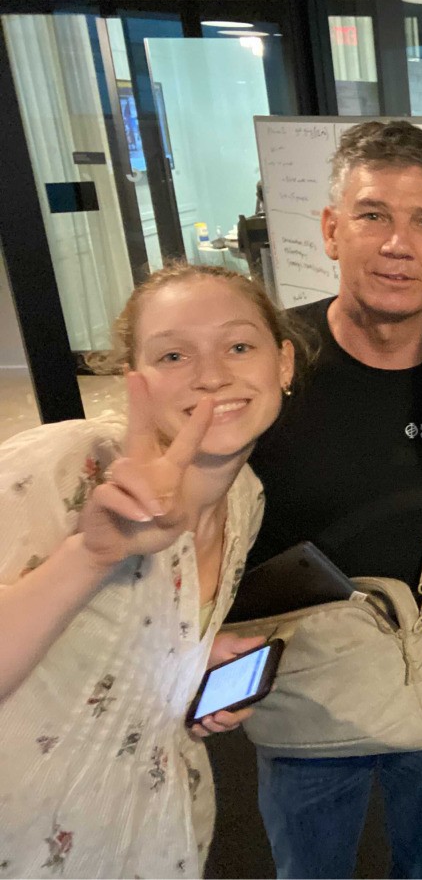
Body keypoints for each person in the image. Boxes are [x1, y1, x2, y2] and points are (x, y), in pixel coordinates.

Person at [0, 264, 298, 878]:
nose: (213, 376)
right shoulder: (68, 468)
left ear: (284, 365)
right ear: (133, 378)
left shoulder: (245, 498)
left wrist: (190, 658)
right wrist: (90, 554)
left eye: (239, 346)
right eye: (172, 356)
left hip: (154, 828)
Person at [243, 119, 422, 880]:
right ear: (331, 229)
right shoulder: (268, 365)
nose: (397, 244)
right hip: (306, 682)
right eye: (373, 215)